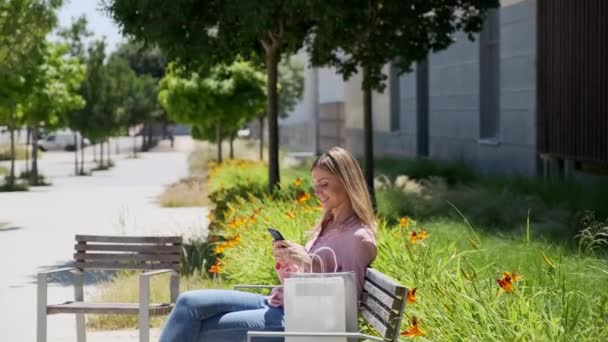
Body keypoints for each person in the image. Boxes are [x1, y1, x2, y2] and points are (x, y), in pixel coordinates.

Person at [159, 147, 377, 342]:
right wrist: (291, 263)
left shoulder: (357, 238)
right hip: (281, 303)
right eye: (315, 185)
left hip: (298, 322)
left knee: (197, 327)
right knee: (188, 303)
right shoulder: (329, 223)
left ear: (347, 182)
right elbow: (316, 273)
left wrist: (307, 261)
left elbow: (345, 308)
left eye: (324, 184)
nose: (317, 192)